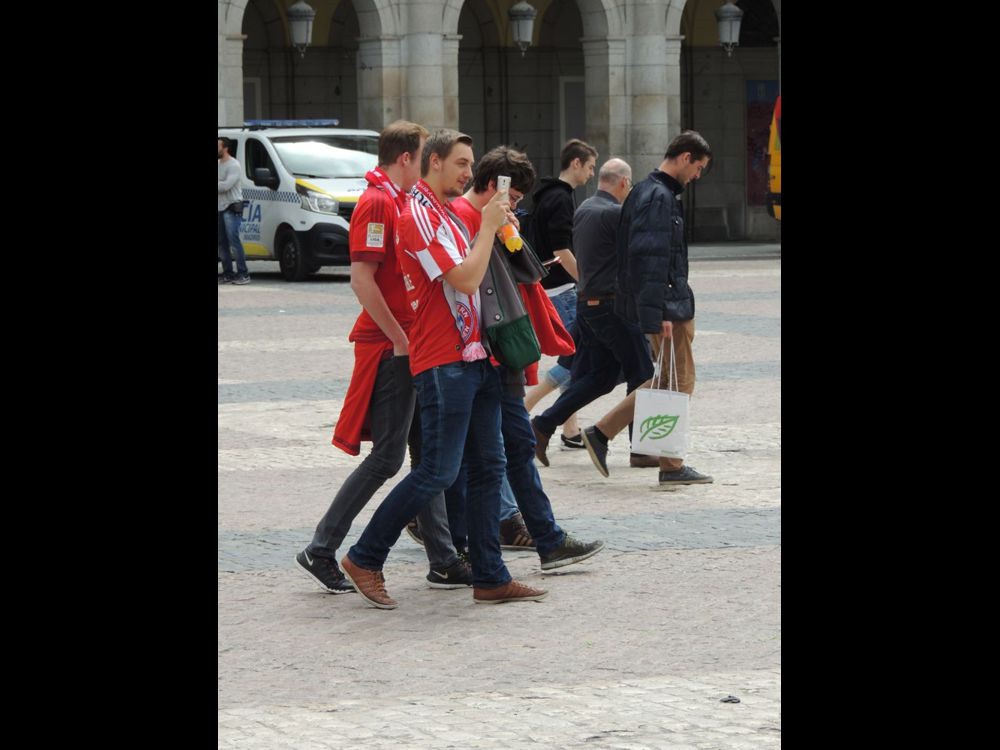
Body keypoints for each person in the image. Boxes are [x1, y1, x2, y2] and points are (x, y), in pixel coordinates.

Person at [341, 129, 547, 609]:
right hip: (443, 359)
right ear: (433, 161)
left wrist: (494, 229)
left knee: (489, 467)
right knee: (437, 471)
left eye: (470, 163)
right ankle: (365, 556)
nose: (468, 173)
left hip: (476, 355)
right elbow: (466, 278)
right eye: (461, 163)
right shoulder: (417, 215)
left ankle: (490, 575)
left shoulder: (447, 213)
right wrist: (487, 228)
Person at [296, 121, 473, 595]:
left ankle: (444, 559)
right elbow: (362, 279)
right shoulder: (377, 201)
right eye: (426, 156)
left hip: (409, 344)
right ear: (406, 158)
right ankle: (321, 548)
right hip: (391, 346)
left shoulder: (399, 200)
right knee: (389, 458)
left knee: (426, 457)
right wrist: (399, 339)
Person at [449, 145, 605, 571]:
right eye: (512, 197)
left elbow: (529, 273)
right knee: (472, 458)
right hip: (481, 352)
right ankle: (457, 543)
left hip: (503, 351)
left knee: (514, 446)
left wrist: (510, 233)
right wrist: (491, 230)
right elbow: (467, 282)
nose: (515, 205)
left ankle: (546, 540)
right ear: (494, 186)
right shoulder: (463, 218)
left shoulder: (496, 221)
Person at [579, 131, 716, 489]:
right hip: (669, 306)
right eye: (698, 167)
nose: (698, 175)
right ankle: (670, 464)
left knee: (666, 380)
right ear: (685, 157)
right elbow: (650, 259)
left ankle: (601, 433)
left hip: (666, 303)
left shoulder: (646, 190)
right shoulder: (658, 197)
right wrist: (662, 314)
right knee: (679, 381)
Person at [530, 158, 658, 469]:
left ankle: (543, 426)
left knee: (599, 377)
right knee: (643, 375)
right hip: (614, 306)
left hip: (588, 304)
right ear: (624, 183)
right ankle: (640, 450)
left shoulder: (585, 208)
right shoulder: (615, 213)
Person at [522, 139, 598, 455]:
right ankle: (527, 408)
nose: (591, 174)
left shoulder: (548, 194)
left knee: (574, 356)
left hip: (550, 286)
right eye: (590, 167)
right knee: (576, 356)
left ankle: (569, 429)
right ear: (576, 163)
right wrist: (588, 282)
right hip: (561, 289)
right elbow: (561, 250)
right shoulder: (561, 198)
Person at [218, 137, 250, 285]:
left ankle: (243, 273)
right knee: (221, 243)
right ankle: (228, 273)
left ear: (225, 148)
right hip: (220, 207)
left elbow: (226, 186)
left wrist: (221, 184)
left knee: (234, 242)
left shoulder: (234, 165)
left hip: (231, 207)